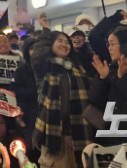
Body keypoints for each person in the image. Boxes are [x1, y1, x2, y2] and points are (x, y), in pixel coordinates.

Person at [31, 14, 91, 168]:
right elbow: (37, 55)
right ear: (51, 45)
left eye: (67, 42)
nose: (65, 45)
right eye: (60, 41)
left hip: (77, 136)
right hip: (54, 136)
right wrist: (45, 30)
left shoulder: (77, 69)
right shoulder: (45, 68)